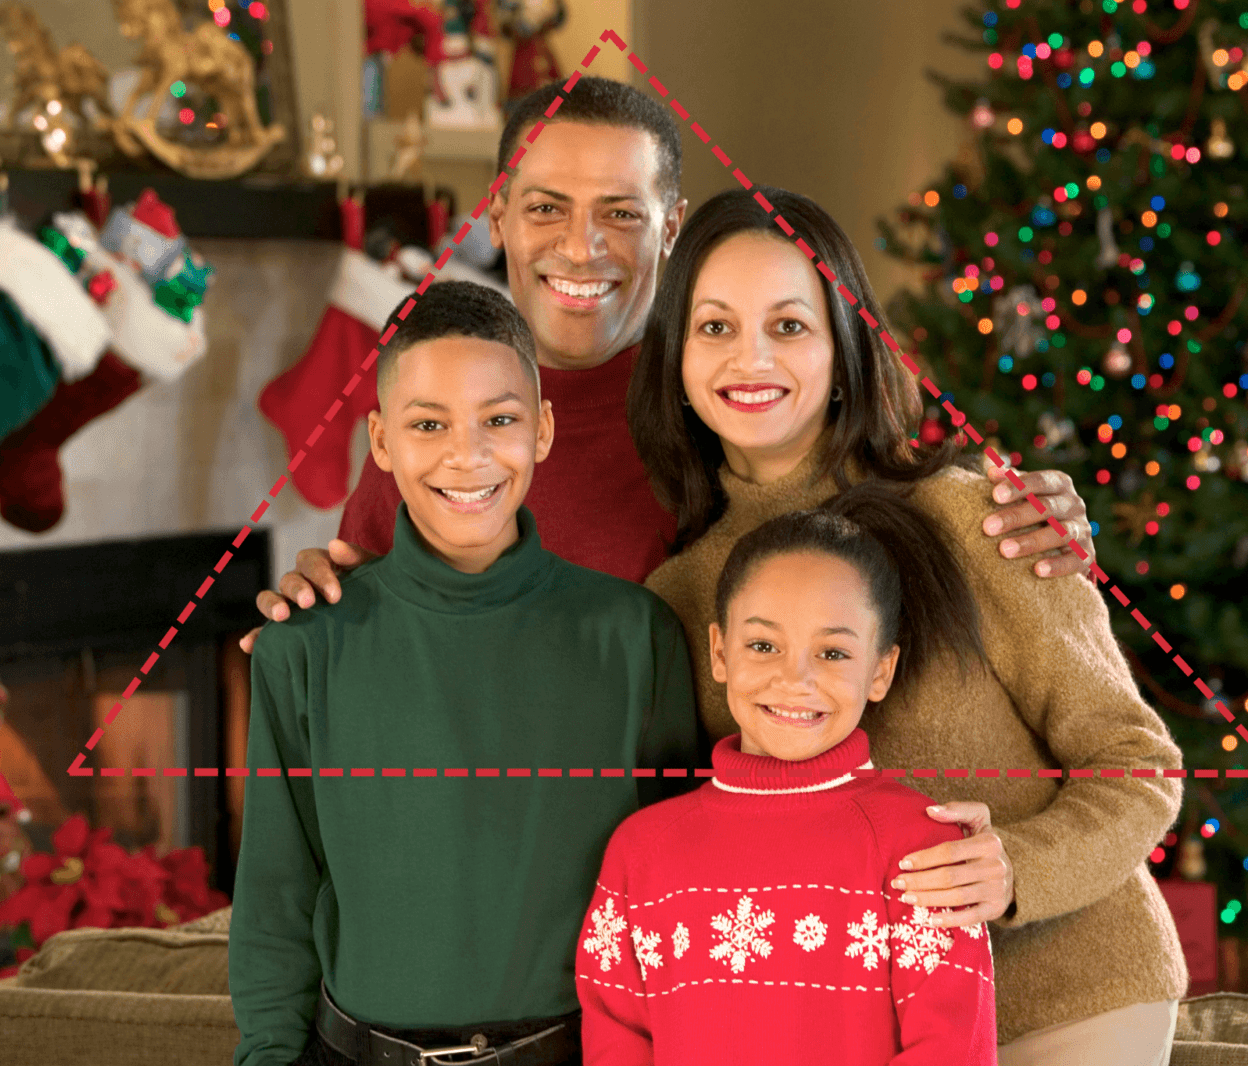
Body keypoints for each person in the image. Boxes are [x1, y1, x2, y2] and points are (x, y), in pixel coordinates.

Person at [245, 74, 1094, 926]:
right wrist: (318, 595)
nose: (581, 248)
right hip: (503, 905)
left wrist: (1049, 512)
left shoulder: (732, 396)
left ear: (672, 228)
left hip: (727, 905)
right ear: (495, 217)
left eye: (620, 212)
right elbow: (377, 644)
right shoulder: (439, 434)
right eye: (545, 208)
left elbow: (908, 487)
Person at [630, 186, 1187, 1066]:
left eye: (788, 326)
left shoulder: (975, 517)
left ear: (845, 352)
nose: (750, 357)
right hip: (849, 1030)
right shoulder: (678, 595)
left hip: (1067, 992)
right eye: (714, 327)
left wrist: (1019, 865)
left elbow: (1139, 766)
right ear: (675, 361)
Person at [229, 282, 700, 1066]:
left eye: (501, 419)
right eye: (427, 424)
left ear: (542, 429)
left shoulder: (636, 636)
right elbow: (276, 895)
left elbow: (678, 890)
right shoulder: (302, 647)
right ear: (380, 441)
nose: (468, 454)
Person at [575, 481, 997, 1066]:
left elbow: (952, 1051)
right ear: (720, 653)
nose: (794, 679)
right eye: (763, 645)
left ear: (881, 670)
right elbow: (615, 1041)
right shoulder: (640, 853)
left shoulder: (922, 850)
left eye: (832, 653)